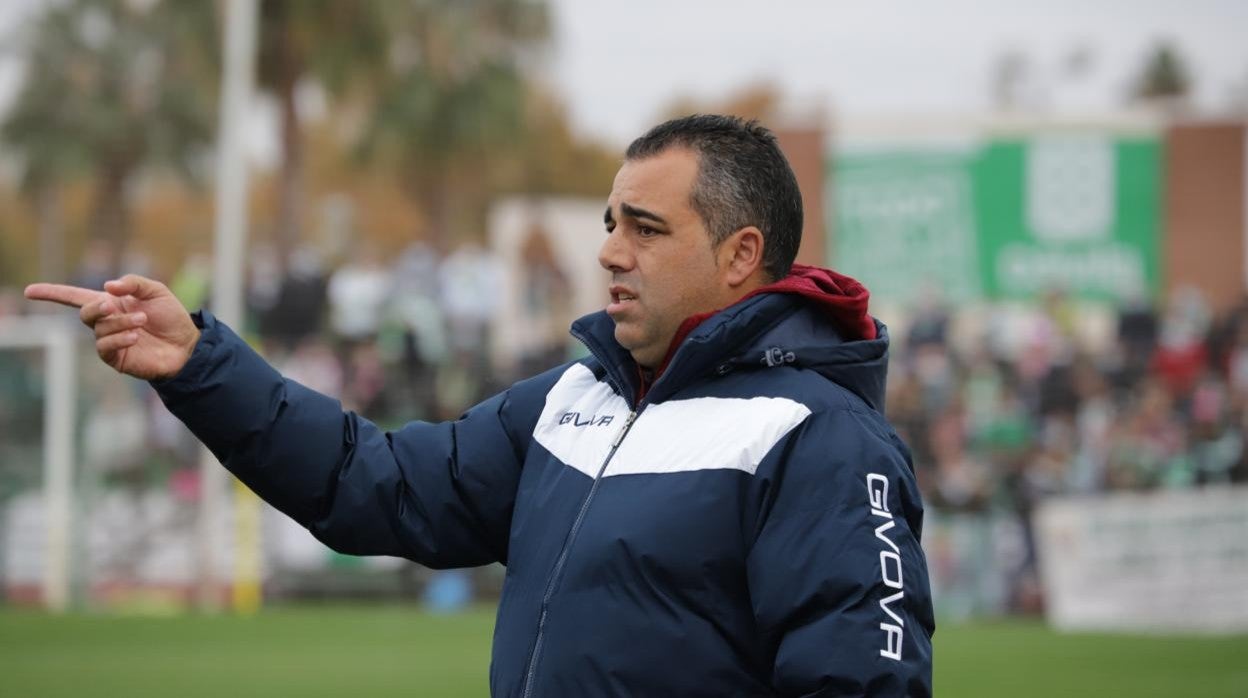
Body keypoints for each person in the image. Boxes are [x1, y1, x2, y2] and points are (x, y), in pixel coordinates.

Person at [26, 115, 934, 696]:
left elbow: (861, 682)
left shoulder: (821, 437)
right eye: (611, 222)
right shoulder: (573, 398)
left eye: (646, 229)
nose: (611, 252)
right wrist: (199, 365)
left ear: (741, 255)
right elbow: (369, 483)